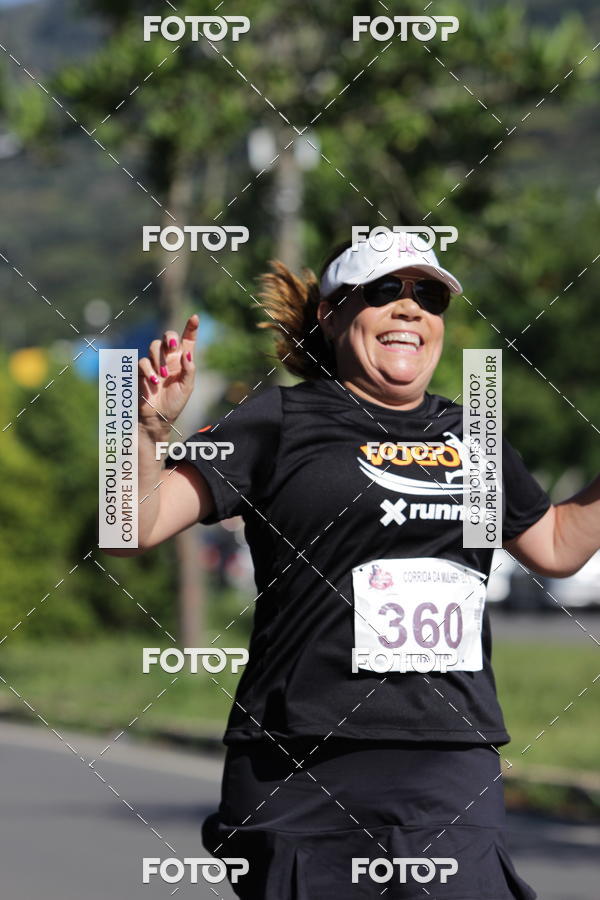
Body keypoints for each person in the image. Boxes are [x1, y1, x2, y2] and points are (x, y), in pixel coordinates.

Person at [107, 232, 600, 898]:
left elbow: (558, 546)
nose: (410, 308)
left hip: (447, 756)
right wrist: (142, 432)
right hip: (300, 760)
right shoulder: (277, 419)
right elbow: (126, 529)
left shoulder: (474, 432)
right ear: (332, 315)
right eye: (383, 291)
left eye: (428, 295)